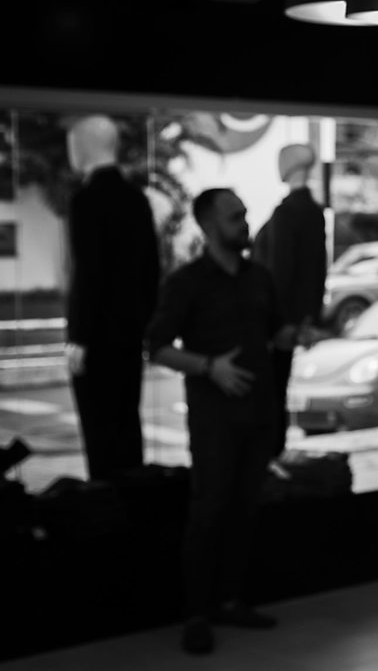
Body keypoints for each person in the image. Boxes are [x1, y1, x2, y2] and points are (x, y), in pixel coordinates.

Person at [146, 188, 297, 655]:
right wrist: (210, 366)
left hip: (261, 414)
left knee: (244, 509)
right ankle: (196, 612)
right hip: (215, 419)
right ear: (210, 226)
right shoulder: (187, 281)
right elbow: (157, 346)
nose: (245, 222)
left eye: (245, 214)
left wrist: (302, 331)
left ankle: (230, 600)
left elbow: (277, 333)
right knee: (209, 511)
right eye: (236, 217)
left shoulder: (259, 277)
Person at [64, 114, 160, 482]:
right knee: (126, 420)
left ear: (86, 146)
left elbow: (88, 271)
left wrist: (79, 336)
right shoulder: (136, 199)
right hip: (129, 333)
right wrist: (147, 324)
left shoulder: (86, 200)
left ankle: (106, 509)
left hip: (99, 336)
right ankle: (133, 503)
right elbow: (150, 270)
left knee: (100, 429)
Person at [251, 142, 327, 456]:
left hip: (275, 323)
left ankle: (267, 460)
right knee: (275, 393)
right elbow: (315, 268)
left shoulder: (288, 212)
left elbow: (281, 271)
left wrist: (276, 323)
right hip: (290, 320)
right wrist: (307, 315)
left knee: (268, 396)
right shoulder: (311, 211)